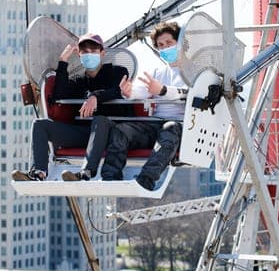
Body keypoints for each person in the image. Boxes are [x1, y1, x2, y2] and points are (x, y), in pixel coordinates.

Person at [65, 21, 187, 191]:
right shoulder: (157, 73)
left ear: (180, 44)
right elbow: (143, 90)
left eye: (169, 43)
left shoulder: (192, 72)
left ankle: (145, 180)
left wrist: (163, 90)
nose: (164, 48)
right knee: (121, 130)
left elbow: (188, 94)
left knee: (170, 128)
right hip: (155, 124)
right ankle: (110, 177)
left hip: (180, 127)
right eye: (160, 45)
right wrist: (129, 92)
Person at [12, 33, 129, 182]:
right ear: (79, 55)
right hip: (84, 132)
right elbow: (59, 94)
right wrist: (63, 62)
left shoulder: (117, 72)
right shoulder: (79, 81)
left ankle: (87, 172)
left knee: (99, 120)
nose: (89, 55)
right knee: (40, 125)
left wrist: (95, 97)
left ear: (102, 53)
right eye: (84, 52)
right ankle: (39, 172)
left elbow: (118, 90)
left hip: (110, 133)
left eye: (93, 51)